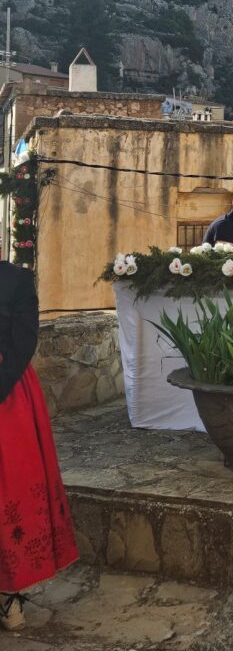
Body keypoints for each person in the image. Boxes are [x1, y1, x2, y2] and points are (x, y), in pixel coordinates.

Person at [1, 259, 79, 631]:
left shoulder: (15, 279)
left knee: (9, 490)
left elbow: (23, 340)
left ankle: (9, 593)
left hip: (7, 396)